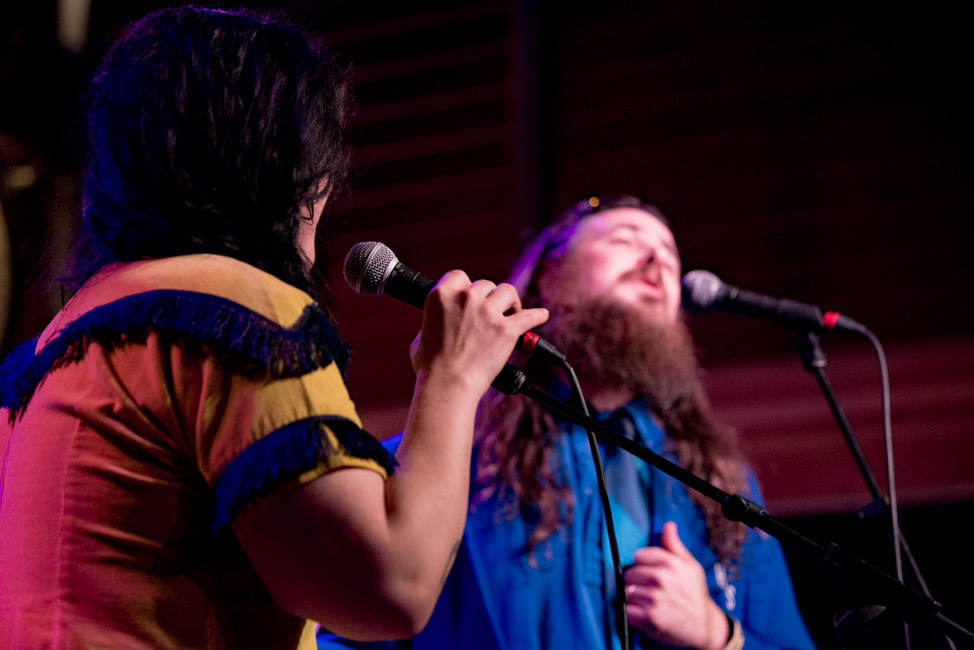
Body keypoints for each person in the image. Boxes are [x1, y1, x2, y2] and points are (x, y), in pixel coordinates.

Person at [0, 7, 548, 649]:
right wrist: (452, 374)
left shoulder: (56, 347)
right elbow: (392, 585)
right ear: (294, 170)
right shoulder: (234, 309)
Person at [319, 195, 816, 649]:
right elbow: (340, 632)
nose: (656, 261)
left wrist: (718, 635)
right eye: (625, 241)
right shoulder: (442, 454)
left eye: (669, 254)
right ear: (549, 278)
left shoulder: (721, 486)